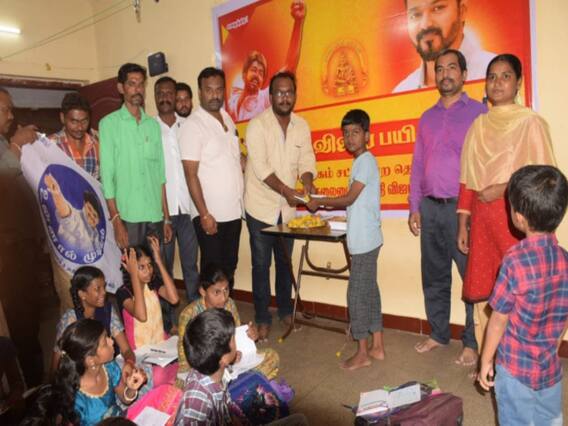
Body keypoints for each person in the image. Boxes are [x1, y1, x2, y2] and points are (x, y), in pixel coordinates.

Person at [457, 54, 557, 347]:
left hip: (517, 222)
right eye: (492, 77)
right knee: (486, 294)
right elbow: (467, 179)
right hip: (483, 222)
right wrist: (462, 223)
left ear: (518, 83)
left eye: (505, 76)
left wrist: (503, 188)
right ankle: (489, 357)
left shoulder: (530, 123)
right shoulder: (478, 126)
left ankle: (518, 357)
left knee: (520, 291)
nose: (497, 82)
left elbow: (545, 176)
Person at [407, 49, 483, 364]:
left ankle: (472, 342)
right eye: (439, 69)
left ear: (464, 74)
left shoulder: (479, 113)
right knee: (434, 276)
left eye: (452, 68)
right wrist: (414, 206)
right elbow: (418, 164)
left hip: (464, 211)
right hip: (430, 208)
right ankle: (439, 334)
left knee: (472, 279)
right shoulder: (427, 117)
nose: (445, 74)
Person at [478, 165, 568, 426]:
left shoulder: (514, 261)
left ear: (518, 217)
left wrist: (486, 360)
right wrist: (554, 345)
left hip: (515, 370)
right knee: (550, 419)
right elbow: (563, 315)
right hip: (550, 369)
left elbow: (498, 320)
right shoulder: (565, 260)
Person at [307, 109, 384, 371]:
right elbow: (356, 203)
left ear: (367, 135)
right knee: (370, 290)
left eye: (356, 132)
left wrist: (321, 202)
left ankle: (362, 352)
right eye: (346, 133)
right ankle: (378, 346)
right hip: (368, 238)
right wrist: (334, 210)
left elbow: (350, 198)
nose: (350, 138)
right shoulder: (363, 162)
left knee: (356, 294)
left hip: (364, 242)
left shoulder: (365, 161)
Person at [244, 71, 316, 340]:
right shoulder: (257, 126)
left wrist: (307, 183)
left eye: (289, 93)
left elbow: (307, 159)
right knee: (261, 265)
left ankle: (286, 310)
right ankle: (262, 317)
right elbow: (261, 169)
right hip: (260, 206)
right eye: (279, 93)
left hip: (287, 211)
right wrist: (287, 191)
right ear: (270, 96)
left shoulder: (301, 126)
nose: (285, 97)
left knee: (285, 262)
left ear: (294, 95)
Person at [175, 308, 307, 426]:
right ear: (224, 358)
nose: (236, 340)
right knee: (299, 421)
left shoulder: (212, 372)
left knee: (298, 419)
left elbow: (228, 411)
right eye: (233, 338)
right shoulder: (196, 409)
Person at [179, 67, 244, 290]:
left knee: (229, 268)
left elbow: (235, 160)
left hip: (233, 211)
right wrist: (204, 214)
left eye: (218, 89)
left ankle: (226, 310)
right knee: (213, 273)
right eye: (209, 90)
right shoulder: (193, 125)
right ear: (200, 92)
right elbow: (190, 174)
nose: (214, 95)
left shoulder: (227, 119)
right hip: (210, 215)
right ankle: (211, 313)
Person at [99, 63, 172, 249]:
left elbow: (160, 175)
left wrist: (166, 218)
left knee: (158, 266)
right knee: (132, 267)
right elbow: (107, 177)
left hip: (155, 216)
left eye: (141, 84)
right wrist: (116, 220)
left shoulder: (152, 126)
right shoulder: (109, 124)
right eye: (132, 84)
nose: (137, 89)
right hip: (127, 218)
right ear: (121, 88)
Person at [0, 87, 44, 386]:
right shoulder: (8, 146)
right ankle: (29, 386)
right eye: (5, 109)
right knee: (21, 320)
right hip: (9, 251)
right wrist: (17, 144)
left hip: (23, 248)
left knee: (29, 318)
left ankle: (34, 379)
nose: (10, 115)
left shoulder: (4, 142)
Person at [177, 264, 279, 382]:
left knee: (272, 356)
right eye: (217, 292)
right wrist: (226, 360)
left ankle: (235, 385)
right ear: (203, 291)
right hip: (204, 370)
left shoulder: (229, 304)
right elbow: (185, 360)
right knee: (184, 383)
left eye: (226, 290)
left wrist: (249, 336)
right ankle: (240, 385)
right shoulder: (189, 315)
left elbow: (235, 339)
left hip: (231, 365)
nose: (223, 298)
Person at [154, 76, 200, 333]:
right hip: (164, 212)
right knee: (165, 268)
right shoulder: (150, 128)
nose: (165, 97)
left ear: (175, 95)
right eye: (160, 93)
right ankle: (167, 321)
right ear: (155, 97)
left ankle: (194, 314)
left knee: (191, 265)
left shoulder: (188, 126)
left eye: (169, 93)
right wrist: (162, 216)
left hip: (189, 209)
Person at [48, 92, 100, 312]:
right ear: (62, 118)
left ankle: (93, 330)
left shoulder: (97, 142)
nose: (79, 127)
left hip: (92, 228)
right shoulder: (49, 145)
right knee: (70, 290)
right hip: (64, 230)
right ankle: (71, 331)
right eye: (73, 121)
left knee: (94, 288)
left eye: (84, 121)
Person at [47, 319, 147, 426]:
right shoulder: (75, 399)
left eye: (107, 336)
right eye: (105, 343)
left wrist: (132, 388)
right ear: (91, 360)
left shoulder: (109, 367)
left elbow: (124, 398)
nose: (111, 341)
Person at [50, 266, 137, 381]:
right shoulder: (70, 319)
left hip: (109, 370)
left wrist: (129, 363)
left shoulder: (107, 311)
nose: (104, 292)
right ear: (82, 294)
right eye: (97, 289)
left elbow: (126, 350)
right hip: (82, 378)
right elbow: (57, 362)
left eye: (104, 287)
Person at [227, 0, 305, 122]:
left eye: (261, 73)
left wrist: (298, 22)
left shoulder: (265, 98)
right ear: (244, 74)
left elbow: (290, 66)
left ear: (263, 81)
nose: (257, 75)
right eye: (254, 70)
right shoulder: (233, 100)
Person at [393, 0, 495, 93]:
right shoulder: (401, 93)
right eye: (415, 15)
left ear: (462, 11)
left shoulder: (495, 77)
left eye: (437, 8)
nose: (425, 25)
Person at [116, 236, 179, 386]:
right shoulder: (123, 293)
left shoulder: (153, 284)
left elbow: (174, 299)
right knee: (158, 377)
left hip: (159, 343)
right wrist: (134, 276)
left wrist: (159, 261)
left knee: (187, 357)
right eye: (141, 267)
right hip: (139, 351)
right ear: (129, 268)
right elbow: (141, 315)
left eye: (150, 265)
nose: (148, 271)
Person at [43, 173, 103, 254]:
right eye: (89, 209)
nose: (91, 215)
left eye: (95, 215)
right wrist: (57, 194)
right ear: (84, 204)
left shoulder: (96, 235)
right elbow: (67, 215)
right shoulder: (76, 217)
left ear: (99, 220)